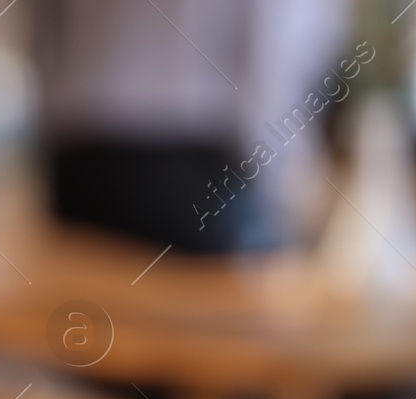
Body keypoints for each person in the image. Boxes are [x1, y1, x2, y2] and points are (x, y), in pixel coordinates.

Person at [34, 0, 349, 253]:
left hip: (75, 156)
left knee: (93, 310)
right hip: (187, 164)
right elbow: (276, 54)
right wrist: (281, 184)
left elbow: (47, 33)